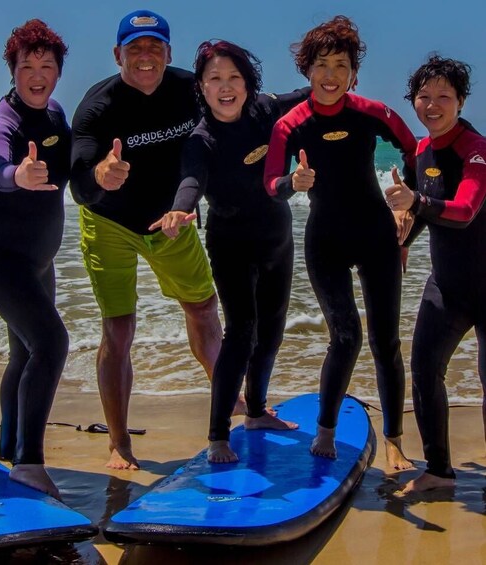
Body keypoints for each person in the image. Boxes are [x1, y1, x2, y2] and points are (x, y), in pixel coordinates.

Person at [70, 10, 222, 470]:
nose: (145, 57)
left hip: (171, 220)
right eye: (134, 49)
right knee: (119, 330)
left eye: (154, 47)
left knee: (202, 308)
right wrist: (101, 174)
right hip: (109, 223)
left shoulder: (190, 90)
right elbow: (78, 182)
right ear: (118, 54)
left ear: (169, 53)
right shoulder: (97, 106)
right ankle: (119, 441)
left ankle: (230, 397)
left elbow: (236, 118)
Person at [263, 15, 415, 468]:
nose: (331, 75)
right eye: (322, 64)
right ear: (307, 70)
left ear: (354, 73)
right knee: (345, 337)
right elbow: (271, 182)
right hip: (325, 240)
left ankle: (394, 441)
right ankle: (326, 428)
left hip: (375, 235)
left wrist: (409, 200)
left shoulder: (373, 112)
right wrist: (295, 180)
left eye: (341, 65)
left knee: (386, 342)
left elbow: (417, 151)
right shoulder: (290, 125)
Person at [149, 40, 309, 463]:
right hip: (231, 242)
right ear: (201, 86)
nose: (225, 87)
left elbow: (314, 92)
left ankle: (256, 413)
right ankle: (218, 434)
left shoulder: (265, 110)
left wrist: (336, 81)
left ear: (248, 82)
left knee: (272, 330)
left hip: (277, 236)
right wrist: (180, 210)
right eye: (214, 78)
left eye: (234, 77)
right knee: (242, 331)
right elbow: (191, 181)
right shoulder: (201, 140)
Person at [0, 19, 71, 499]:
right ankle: (30, 463)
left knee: (26, 352)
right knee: (52, 343)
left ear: (57, 72)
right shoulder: (1, 121)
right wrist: (15, 176)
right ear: (13, 70)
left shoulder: (56, 115)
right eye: (27, 65)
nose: (37, 74)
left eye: (47, 65)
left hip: (37, 261)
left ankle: (10, 449)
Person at [384, 55, 486, 492]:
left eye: (444, 96)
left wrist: (416, 206)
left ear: (461, 101)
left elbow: (463, 212)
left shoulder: (475, 151)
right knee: (425, 370)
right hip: (448, 285)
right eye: (424, 96)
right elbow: (418, 207)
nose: (433, 105)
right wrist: (402, 241)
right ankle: (439, 472)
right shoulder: (422, 151)